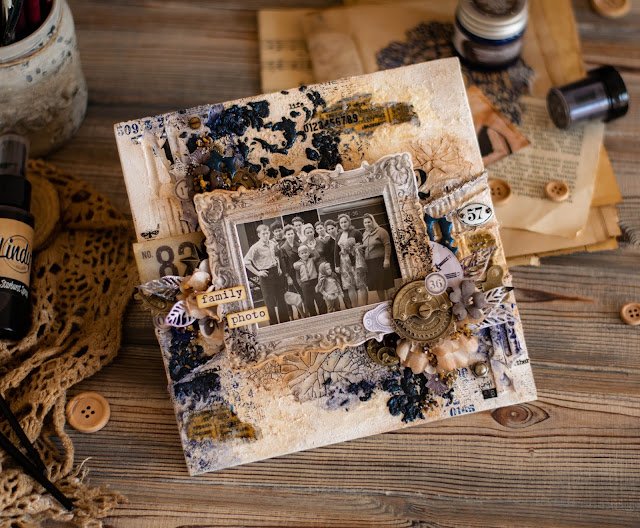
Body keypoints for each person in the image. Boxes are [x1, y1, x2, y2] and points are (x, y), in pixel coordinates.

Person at [243, 224, 290, 324]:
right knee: (269, 302)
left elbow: (276, 256)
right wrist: (258, 272)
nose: (266, 235)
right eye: (263, 234)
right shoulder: (255, 247)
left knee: (281, 298)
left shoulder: (273, 243)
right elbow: (246, 262)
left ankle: (285, 322)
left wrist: (278, 267)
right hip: (266, 275)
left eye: (267, 233)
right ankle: (274, 324)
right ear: (259, 235)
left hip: (276, 273)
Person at [334, 214, 364, 308]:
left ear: (349, 222)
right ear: (339, 224)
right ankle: (355, 306)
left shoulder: (356, 232)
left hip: (355, 260)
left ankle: (365, 305)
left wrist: (355, 247)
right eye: (341, 223)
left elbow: (362, 245)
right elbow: (336, 251)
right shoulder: (338, 235)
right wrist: (337, 265)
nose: (343, 224)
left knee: (360, 283)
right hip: (344, 263)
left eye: (345, 222)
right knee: (349, 285)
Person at [361, 213, 394, 301]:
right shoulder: (365, 234)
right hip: (371, 263)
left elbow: (387, 245)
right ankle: (383, 302)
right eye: (365, 223)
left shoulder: (381, 231)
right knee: (378, 286)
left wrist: (386, 259)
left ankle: (391, 301)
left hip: (380, 261)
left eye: (369, 222)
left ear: (373, 221)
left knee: (387, 284)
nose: (367, 224)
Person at [293, 244, 326, 317]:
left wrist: (313, 249)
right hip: (305, 284)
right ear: (299, 255)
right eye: (302, 253)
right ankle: (313, 316)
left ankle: (323, 314)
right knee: (309, 302)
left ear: (308, 253)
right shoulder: (297, 264)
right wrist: (300, 284)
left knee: (319, 299)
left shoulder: (312, 260)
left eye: (306, 252)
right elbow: (297, 276)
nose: (304, 254)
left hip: (314, 282)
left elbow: (318, 256)